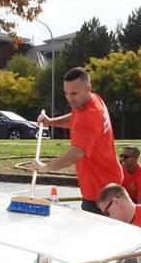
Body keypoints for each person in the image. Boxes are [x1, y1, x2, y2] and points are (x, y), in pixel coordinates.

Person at [25, 67, 123, 214]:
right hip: (108, 180)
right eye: (67, 93)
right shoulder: (90, 100)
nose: (70, 98)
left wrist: (46, 167)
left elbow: (77, 152)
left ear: (88, 88)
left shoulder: (91, 116)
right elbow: (75, 119)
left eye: (74, 93)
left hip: (101, 190)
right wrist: (51, 122)